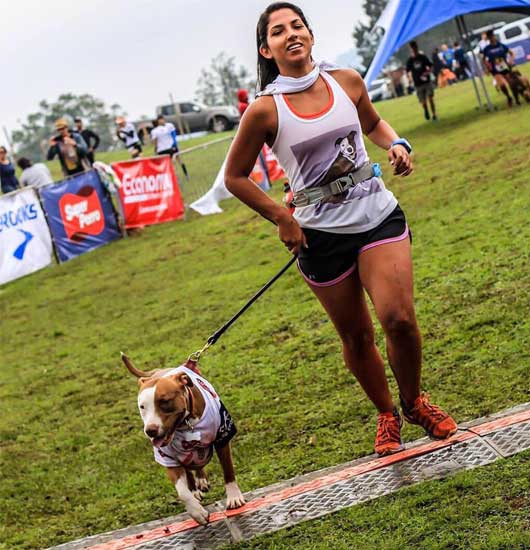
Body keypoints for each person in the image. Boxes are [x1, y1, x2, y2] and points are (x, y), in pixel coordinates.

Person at [225, 2, 457, 457]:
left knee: (399, 319)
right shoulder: (264, 111)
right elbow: (235, 177)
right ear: (266, 49)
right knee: (356, 336)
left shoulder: (346, 80)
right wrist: (281, 216)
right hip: (320, 235)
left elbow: (372, 123)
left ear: (309, 34)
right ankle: (387, 413)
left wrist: (397, 144)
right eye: (278, 31)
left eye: (297, 25)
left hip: (376, 214)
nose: (291, 34)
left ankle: (414, 402)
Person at [482, 31, 517, 107]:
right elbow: (484, 59)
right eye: (490, 37)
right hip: (495, 70)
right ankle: (508, 97)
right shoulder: (487, 49)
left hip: (505, 67)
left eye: (493, 36)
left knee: (512, 83)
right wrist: (487, 67)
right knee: (502, 85)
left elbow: (512, 53)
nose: (492, 38)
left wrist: (511, 61)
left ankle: (516, 99)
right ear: (488, 39)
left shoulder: (501, 45)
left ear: (494, 37)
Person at [150, 114, 189, 179]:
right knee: (170, 164)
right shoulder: (156, 131)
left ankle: (185, 174)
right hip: (164, 150)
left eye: (163, 119)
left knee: (179, 160)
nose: (162, 120)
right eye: (160, 119)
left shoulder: (168, 126)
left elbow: (173, 135)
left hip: (170, 147)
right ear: (158, 121)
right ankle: (174, 178)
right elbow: (156, 142)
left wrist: (175, 144)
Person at [406, 41, 437, 121]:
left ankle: (434, 115)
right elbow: (407, 71)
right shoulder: (410, 60)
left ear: (416, 47)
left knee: (430, 98)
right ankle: (426, 110)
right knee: (423, 102)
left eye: (414, 48)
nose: (414, 50)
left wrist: (427, 72)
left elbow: (430, 66)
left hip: (427, 82)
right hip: (418, 84)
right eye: (412, 48)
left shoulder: (422, 57)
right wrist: (409, 79)